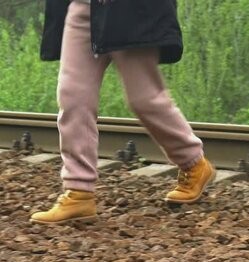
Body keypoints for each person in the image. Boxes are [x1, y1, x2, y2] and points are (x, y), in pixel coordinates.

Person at [31, 0, 215, 225]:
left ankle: (193, 162)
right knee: (73, 96)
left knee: (144, 97)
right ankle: (78, 192)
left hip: (130, 11)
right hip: (82, 8)